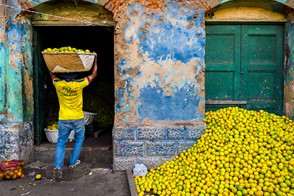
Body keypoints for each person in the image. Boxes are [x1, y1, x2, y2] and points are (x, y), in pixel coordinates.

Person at [49, 54, 98, 181]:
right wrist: (95, 60)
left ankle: (57, 167)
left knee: (61, 142)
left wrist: (50, 63)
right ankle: (72, 163)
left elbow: (52, 74)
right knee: (79, 139)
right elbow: (93, 75)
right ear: (74, 76)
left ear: (63, 75)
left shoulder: (58, 84)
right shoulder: (79, 83)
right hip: (77, 118)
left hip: (64, 118)